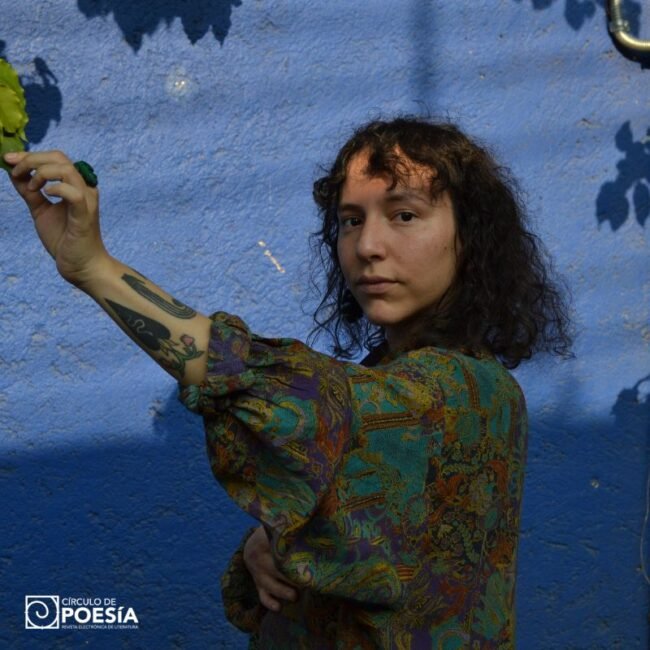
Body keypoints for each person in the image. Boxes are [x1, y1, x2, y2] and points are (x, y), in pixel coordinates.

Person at [4, 116, 572, 648]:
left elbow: (292, 395)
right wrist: (272, 541)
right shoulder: (392, 374)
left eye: (404, 215)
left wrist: (95, 268)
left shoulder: (465, 390)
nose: (368, 246)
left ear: (471, 237)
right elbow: (364, 518)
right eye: (351, 220)